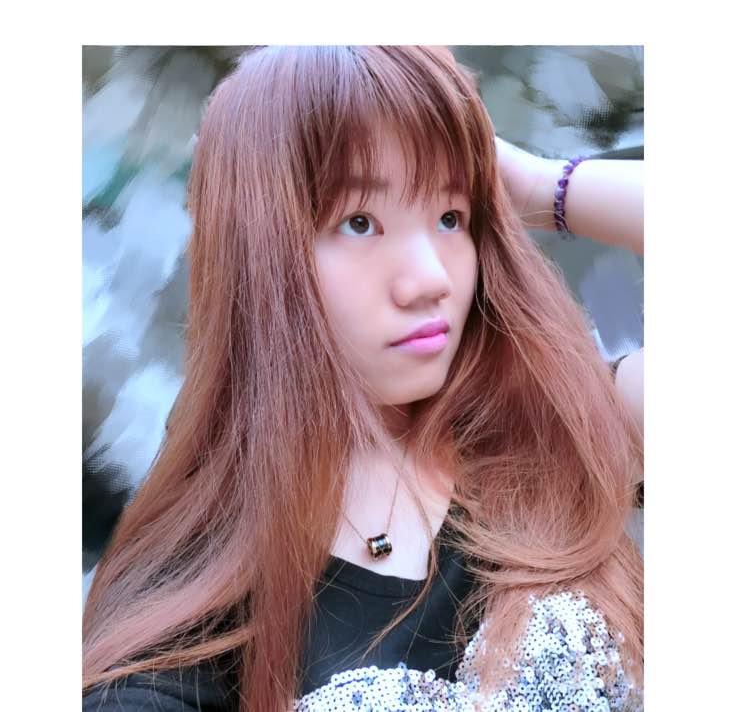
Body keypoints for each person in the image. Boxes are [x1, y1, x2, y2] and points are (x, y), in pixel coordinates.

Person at [82, 46, 644, 711]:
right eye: (359, 222)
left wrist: (539, 186)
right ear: (260, 252)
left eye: (451, 217)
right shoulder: (191, 621)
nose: (430, 278)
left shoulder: (552, 431)